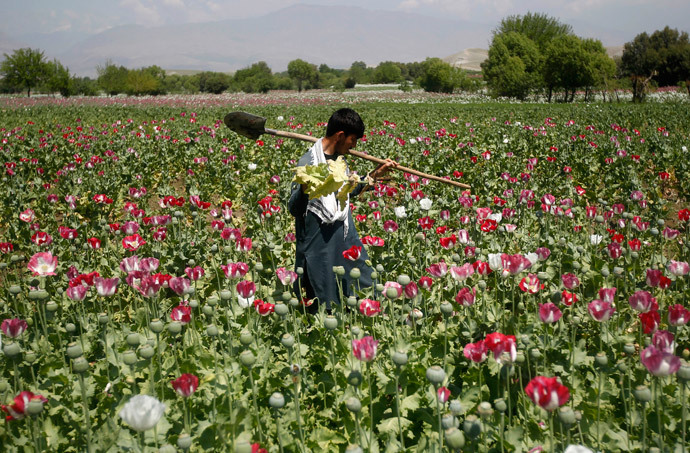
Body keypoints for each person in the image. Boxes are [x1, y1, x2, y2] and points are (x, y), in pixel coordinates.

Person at [288, 108, 396, 312]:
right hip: (320, 245)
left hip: (345, 237)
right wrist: (304, 188)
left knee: (366, 287)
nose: (354, 146)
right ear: (340, 136)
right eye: (353, 140)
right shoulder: (308, 164)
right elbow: (294, 208)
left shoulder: (338, 161)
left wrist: (376, 174)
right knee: (325, 303)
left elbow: (346, 190)